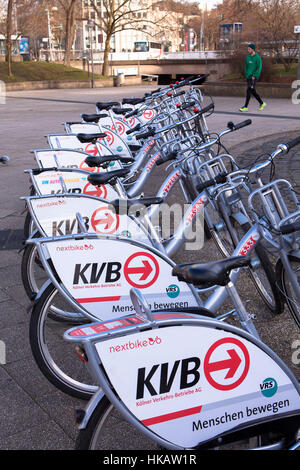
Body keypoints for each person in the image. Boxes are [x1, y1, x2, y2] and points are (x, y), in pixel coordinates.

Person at [239, 43, 266, 112]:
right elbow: (246, 67)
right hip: (248, 76)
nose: (248, 50)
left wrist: (255, 75)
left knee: (248, 90)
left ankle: (245, 107)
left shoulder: (257, 57)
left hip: (253, 77)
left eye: (249, 49)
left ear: (253, 49)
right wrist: (246, 74)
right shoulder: (247, 57)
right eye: (247, 49)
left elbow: (259, 68)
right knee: (253, 91)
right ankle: (261, 103)